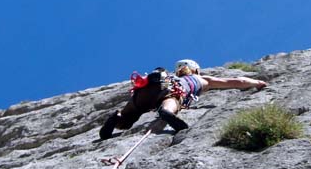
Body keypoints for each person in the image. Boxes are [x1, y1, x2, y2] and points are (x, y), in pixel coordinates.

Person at [99, 59, 267, 140]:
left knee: (128, 115)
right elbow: (236, 82)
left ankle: (118, 116)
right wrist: (257, 82)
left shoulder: (169, 76)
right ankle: (167, 112)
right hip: (169, 90)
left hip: (145, 90)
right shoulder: (201, 79)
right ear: (196, 70)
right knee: (171, 100)